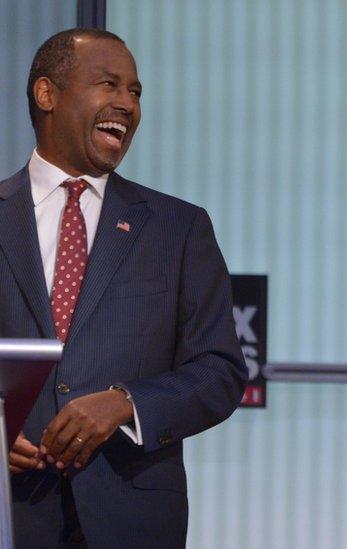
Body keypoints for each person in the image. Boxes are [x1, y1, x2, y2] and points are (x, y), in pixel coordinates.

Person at [1, 28, 246, 547]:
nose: (126, 105)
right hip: (12, 510)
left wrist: (126, 403)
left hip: (130, 517)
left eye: (135, 92)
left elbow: (221, 371)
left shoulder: (179, 228)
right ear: (47, 95)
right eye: (108, 85)